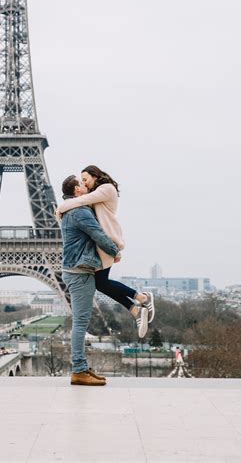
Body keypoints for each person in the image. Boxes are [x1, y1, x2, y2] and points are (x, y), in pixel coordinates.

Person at [58, 165, 155, 338]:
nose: (85, 182)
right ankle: (138, 306)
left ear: (95, 176)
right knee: (101, 283)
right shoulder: (93, 195)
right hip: (100, 245)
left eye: (86, 179)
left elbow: (79, 201)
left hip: (107, 241)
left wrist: (61, 208)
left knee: (101, 283)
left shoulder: (106, 189)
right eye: (82, 180)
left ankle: (141, 301)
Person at [59, 174, 120, 385]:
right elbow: (98, 234)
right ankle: (79, 370)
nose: (85, 185)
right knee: (80, 322)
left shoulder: (68, 209)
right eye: (81, 183)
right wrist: (114, 251)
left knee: (80, 321)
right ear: (77, 191)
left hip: (75, 269)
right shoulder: (80, 211)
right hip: (79, 272)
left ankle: (81, 368)